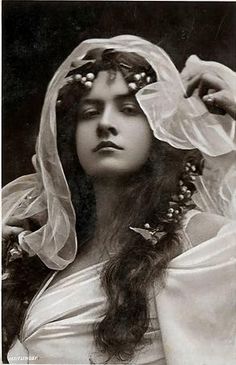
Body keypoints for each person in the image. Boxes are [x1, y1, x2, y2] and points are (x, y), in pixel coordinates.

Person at [2, 35, 236, 365]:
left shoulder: (198, 238)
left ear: (159, 128)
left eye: (128, 110)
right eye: (90, 112)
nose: (106, 124)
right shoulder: (49, 252)